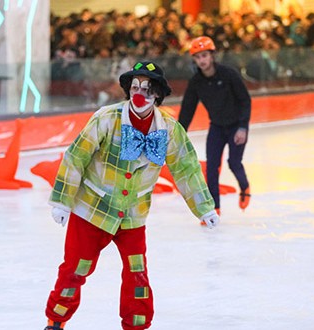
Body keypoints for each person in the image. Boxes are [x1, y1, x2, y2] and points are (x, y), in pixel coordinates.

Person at [44, 61, 219, 330]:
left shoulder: (169, 129)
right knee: (75, 270)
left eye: (147, 90)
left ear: (157, 95)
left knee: (137, 274)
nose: (140, 94)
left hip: (133, 215)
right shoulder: (107, 118)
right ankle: (55, 321)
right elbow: (76, 157)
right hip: (92, 209)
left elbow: (186, 167)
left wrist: (204, 207)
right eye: (136, 87)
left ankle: (136, 326)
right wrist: (62, 200)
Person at [178, 36, 252, 215]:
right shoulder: (196, 82)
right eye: (198, 57)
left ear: (212, 56)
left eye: (204, 55)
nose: (202, 60)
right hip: (217, 127)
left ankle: (245, 188)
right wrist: (179, 133)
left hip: (236, 126)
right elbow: (188, 109)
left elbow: (245, 100)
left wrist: (242, 127)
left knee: (234, 163)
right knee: (211, 167)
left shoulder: (229, 74)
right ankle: (213, 209)